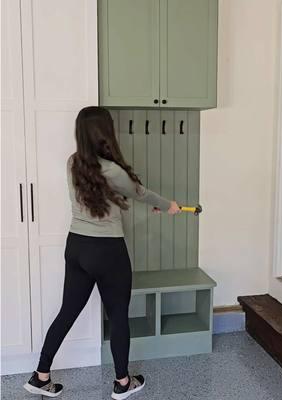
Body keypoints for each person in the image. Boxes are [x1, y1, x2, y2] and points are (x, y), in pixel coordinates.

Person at [24, 106, 180, 399]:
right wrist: (168, 204)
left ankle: (40, 376)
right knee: (119, 314)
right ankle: (123, 383)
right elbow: (141, 193)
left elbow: (104, 193)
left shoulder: (73, 163)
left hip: (77, 247)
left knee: (67, 312)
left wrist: (137, 198)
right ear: (105, 133)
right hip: (108, 250)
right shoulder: (112, 170)